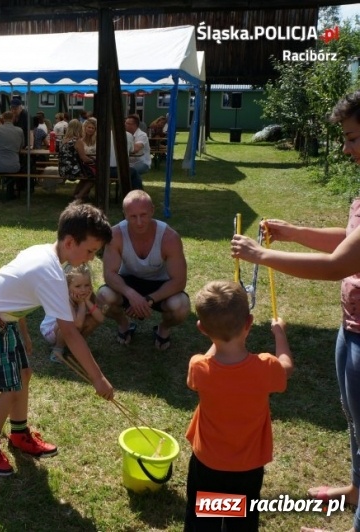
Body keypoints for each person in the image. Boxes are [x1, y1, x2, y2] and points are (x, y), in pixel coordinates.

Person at [231, 89, 360, 532]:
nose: (346, 148)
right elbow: (347, 241)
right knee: (354, 418)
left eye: (353, 138)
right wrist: (293, 232)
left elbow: (338, 264)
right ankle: (356, 490)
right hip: (353, 328)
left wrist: (260, 255)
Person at [0, 201, 115, 476]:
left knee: (23, 374)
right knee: (11, 389)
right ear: (70, 241)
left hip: (6, 319)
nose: (91, 258)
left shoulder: (45, 254)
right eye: (90, 251)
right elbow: (70, 332)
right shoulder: (49, 273)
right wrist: (98, 378)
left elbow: (14, 291)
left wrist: (23, 332)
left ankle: (19, 434)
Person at [184, 280, 293, 531]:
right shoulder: (266, 367)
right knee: (240, 521)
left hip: (208, 463)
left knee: (203, 519)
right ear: (249, 323)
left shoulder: (198, 366)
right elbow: (286, 366)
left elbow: (211, 358)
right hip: (247, 466)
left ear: (201, 329)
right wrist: (280, 334)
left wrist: (216, 334)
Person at [97, 190, 189, 350]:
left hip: (160, 285)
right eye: (133, 216)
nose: (139, 222)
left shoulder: (169, 237)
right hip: (129, 281)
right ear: (124, 214)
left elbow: (179, 281)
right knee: (103, 297)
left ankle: (163, 328)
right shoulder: (115, 235)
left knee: (180, 306)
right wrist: (131, 295)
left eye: (144, 215)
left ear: (152, 210)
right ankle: (124, 324)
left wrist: (148, 300)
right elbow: (109, 274)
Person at [41, 263, 105, 363]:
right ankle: (57, 349)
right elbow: (77, 324)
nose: (83, 290)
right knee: (67, 322)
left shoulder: (88, 295)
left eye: (86, 285)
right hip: (51, 331)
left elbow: (100, 319)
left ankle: (75, 347)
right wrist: (82, 304)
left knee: (93, 319)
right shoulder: (64, 299)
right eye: (78, 286)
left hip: (72, 328)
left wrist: (88, 301)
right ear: (67, 286)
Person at [58, 119, 95, 201]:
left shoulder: (63, 140)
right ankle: (79, 197)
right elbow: (84, 159)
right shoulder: (77, 141)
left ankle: (75, 195)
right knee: (92, 177)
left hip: (63, 170)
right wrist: (94, 161)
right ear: (79, 128)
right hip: (73, 170)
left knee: (85, 176)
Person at [125, 114, 152, 178]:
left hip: (142, 163)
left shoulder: (142, 135)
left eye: (127, 123)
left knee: (128, 172)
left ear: (135, 125)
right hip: (128, 163)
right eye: (125, 122)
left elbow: (136, 149)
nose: (125, 124)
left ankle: (134, 187)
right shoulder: (125, 134)